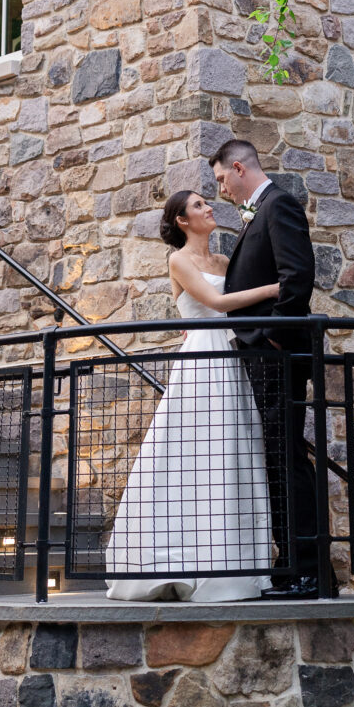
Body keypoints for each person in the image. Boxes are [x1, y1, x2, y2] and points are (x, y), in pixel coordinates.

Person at [105, 188, 279, 602]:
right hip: (202, 361)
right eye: (199, 205)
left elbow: (235, 306)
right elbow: (217, 302)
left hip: (231, 361)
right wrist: (274, 289)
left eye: (207, 201)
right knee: (193, 450)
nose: (208, 207)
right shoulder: (178, 260)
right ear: (183, 220)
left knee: (233, 451)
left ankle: (234, 565)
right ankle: (177, 557)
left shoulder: (222, 261)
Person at [210, 138, 320, 599]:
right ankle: (289, 562)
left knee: (286, 456)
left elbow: (297, 276)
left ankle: (305, 568)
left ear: (239, 168)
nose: (222, 191)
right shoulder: (260, 211)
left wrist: (273, 335)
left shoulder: (278, 205)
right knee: (278, 456)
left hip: (277, 353)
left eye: (221, 180)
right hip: (263, 353)